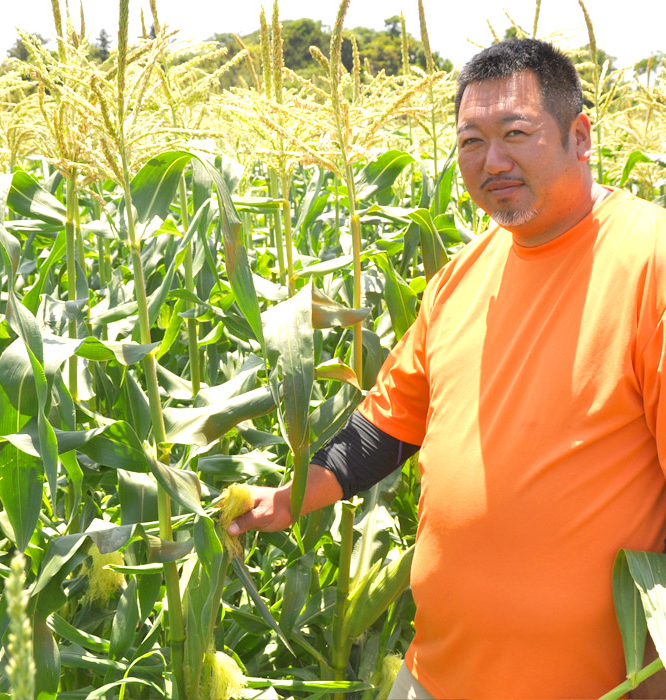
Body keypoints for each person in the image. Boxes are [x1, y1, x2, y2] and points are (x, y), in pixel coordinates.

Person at [228, 38, 666, 699]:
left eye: (515, 133)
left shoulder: (649, 261)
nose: (492, 161)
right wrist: (292, 498)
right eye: (470, 141)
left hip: (600, 685)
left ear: (580, 137)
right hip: (436, 677)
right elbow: (386, 428)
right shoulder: (460, 276)